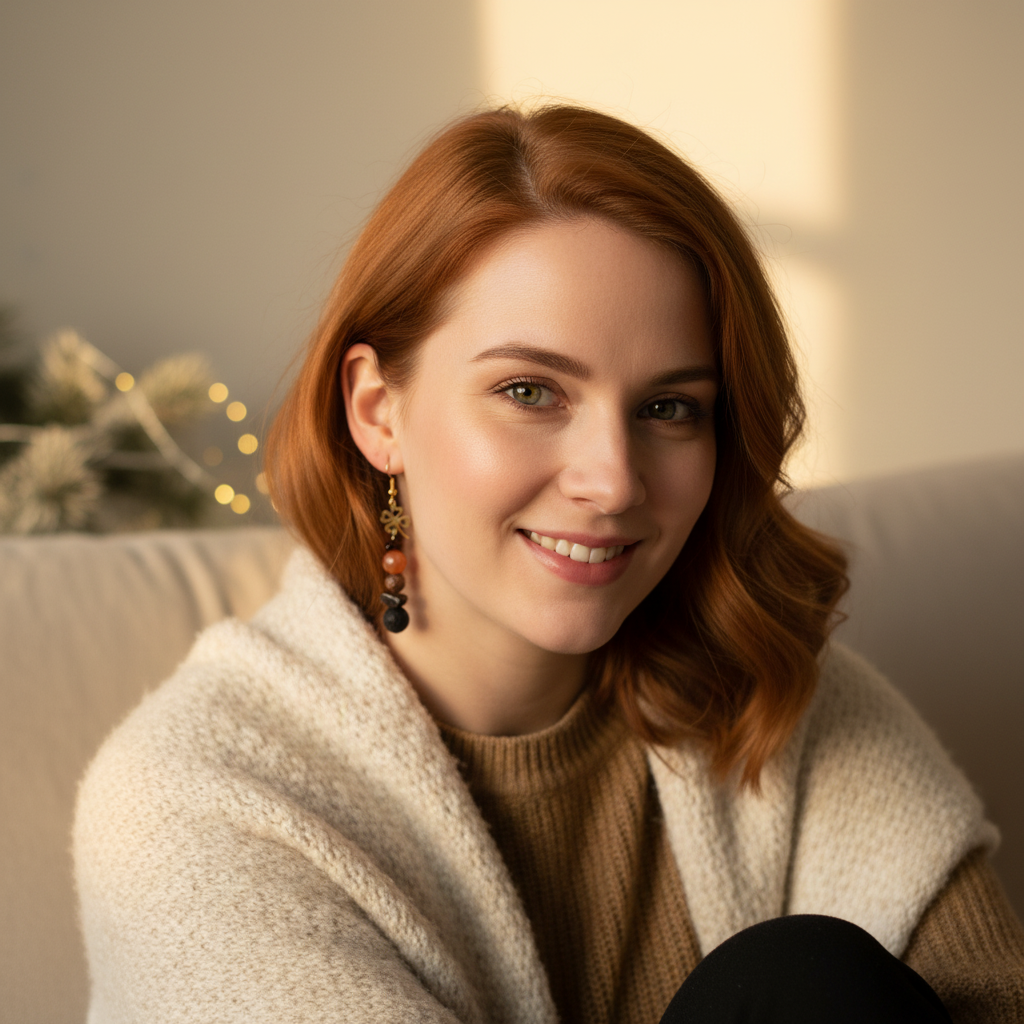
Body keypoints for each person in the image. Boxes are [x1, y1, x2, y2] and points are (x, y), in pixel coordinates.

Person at [73, 105, 1024, 1023]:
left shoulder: (774, 697)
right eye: (530, 391)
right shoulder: (195, 798)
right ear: (377, 410)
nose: (612, 481)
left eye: (669, 408)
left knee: (803, 980)